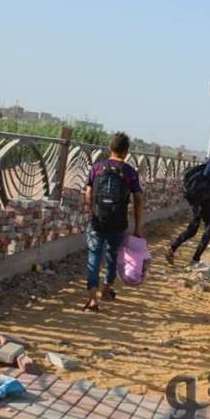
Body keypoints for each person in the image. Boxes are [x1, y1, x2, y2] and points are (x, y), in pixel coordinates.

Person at [83, 132, 144, 312]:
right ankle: (106, 290)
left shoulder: (97, 168)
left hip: (97, 220)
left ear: (110, 148)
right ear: (126, 151)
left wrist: (92, 212)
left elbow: (88, 193)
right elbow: (138, 199)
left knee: (94, 256)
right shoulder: (130, 172)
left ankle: (92, 299)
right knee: (112, 256)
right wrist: (138, 227)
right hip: (118, 222)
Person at [166, 136, 210, 266]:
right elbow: (208, 174)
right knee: (209, 230)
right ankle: (195, 259)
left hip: (198, 199)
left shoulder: (209, 161)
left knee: (193, 229)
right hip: (207, 200)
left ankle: (172, 248)